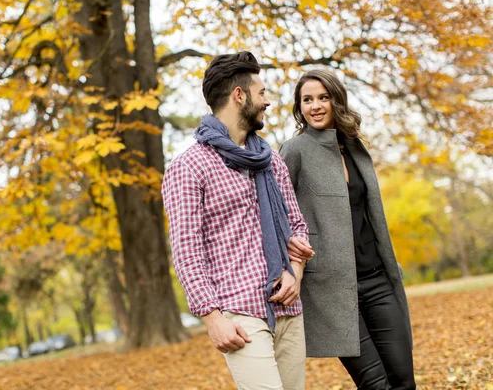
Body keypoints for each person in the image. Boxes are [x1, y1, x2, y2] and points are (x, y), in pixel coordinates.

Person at [162, 51, 314, 390]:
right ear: (239, 96)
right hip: (239, 312)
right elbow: (187, 253)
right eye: (262, 93)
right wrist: (212, 318)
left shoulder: (270, 159)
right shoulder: (189, 167)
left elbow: (298, 226)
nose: (268, 102)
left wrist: (296, 273)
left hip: (288, 306)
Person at [279, 69, 416, 389]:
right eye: (307, 100)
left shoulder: (354, 147)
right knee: (375, 384)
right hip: (332, 288)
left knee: (404, 380)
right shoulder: (295, 150)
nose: (315, 106)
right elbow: (275, 210)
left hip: (377, 280)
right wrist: (292, 250)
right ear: (299, 108)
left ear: (336, 100)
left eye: (323, 97)